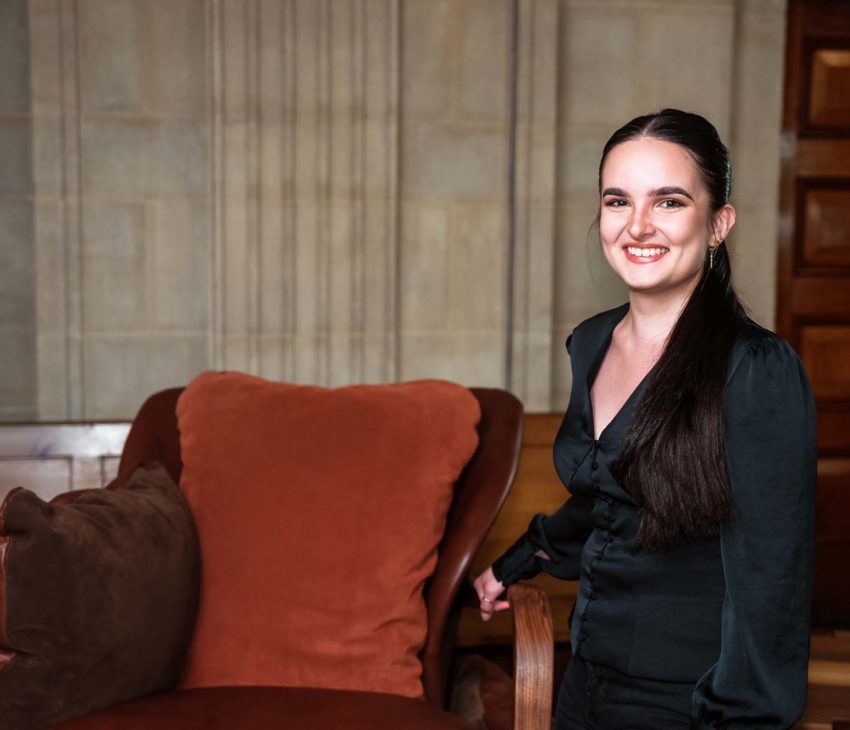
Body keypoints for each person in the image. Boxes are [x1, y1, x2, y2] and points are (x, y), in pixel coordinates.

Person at [473, 109, 817, 729]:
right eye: (617, 200)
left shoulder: (756, 371)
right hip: (585, 678)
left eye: (668, 202)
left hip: (689, 701)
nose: (636, 226)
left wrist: (738, 719)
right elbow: (615, 495)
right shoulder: (592, 342)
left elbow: (772, 584)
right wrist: (518, 559)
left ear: (718, 224)